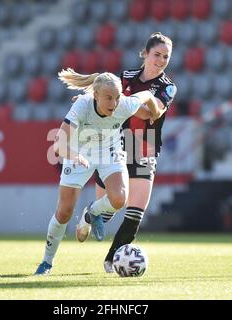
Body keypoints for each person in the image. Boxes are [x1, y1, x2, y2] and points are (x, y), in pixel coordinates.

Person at [34, 68, 165, 275]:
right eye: (108, 98)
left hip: (109, 152)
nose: (113, 104)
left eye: (116, 97)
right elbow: (59, 144)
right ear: (95, 95)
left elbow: (147, 95)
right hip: (78, 152)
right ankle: (47, 262)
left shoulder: (125, 104)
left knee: (120, 199)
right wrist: (75, 155)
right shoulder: (82, 105)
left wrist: (155, 112)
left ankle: (91, 213)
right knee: (64, 212)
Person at [75, 32, 177, 273]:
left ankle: (111, 260)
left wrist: (123, 103)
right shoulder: (126, 77)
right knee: (109, 210)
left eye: (166, 56)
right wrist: (87, 100)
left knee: (135, 213)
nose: (161, 60)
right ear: (145, 54)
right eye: (157, 55)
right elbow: (104, 100)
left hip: (145, 146)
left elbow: (151, 114)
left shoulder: (168, 87)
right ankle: (89, 215)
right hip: (116, 145)